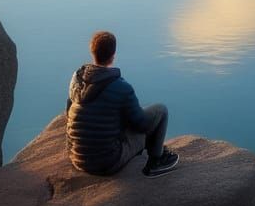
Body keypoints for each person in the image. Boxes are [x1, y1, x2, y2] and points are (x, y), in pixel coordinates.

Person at [65, 30, 179, 178]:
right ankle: (156, 162)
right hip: (107, 162)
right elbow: (143, 124)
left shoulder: (77, 81)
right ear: (113, 55)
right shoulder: (121, 87)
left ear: (92, 52)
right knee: (160, 110)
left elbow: (69, 112)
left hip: (77, 158)